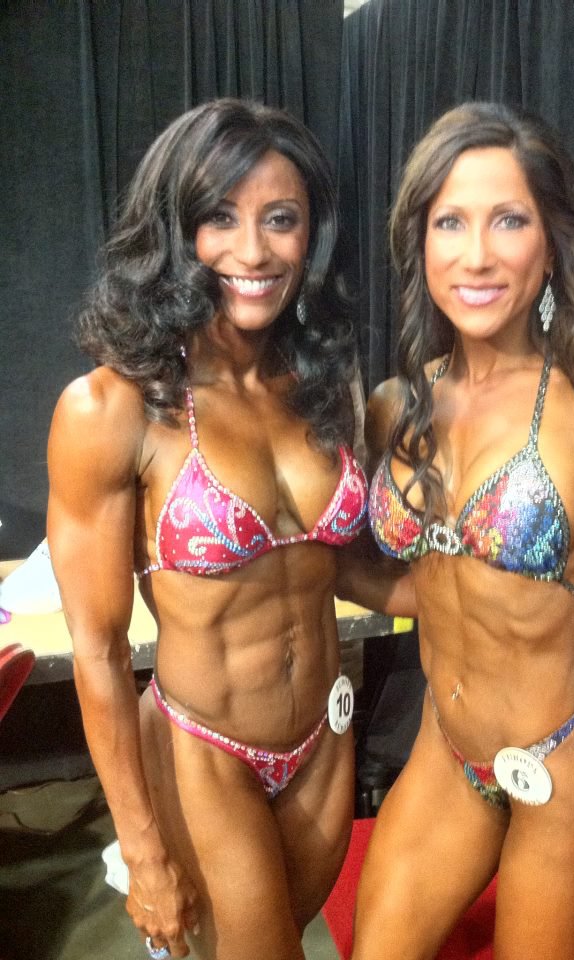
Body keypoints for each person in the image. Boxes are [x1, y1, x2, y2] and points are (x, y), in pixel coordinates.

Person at [47, 98, 410, 960]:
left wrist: (475, 588)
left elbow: (338, 566)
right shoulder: (111, 407)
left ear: (311, 234)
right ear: (176, 232)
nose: (253, 251)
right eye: (220, 217)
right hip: (204, 748)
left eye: (280, 219)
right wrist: (142, 850)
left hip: (324, 737)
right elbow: (97, 650)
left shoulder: (322, 379)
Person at [353, 102, 574, 960]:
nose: (476, 254)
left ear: (551, 240)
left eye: (508, 219)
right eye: (449, 222)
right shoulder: (395, 407)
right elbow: (430, 583)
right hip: (445, 750)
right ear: (419, 240)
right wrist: (298, 561)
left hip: (560, 768)